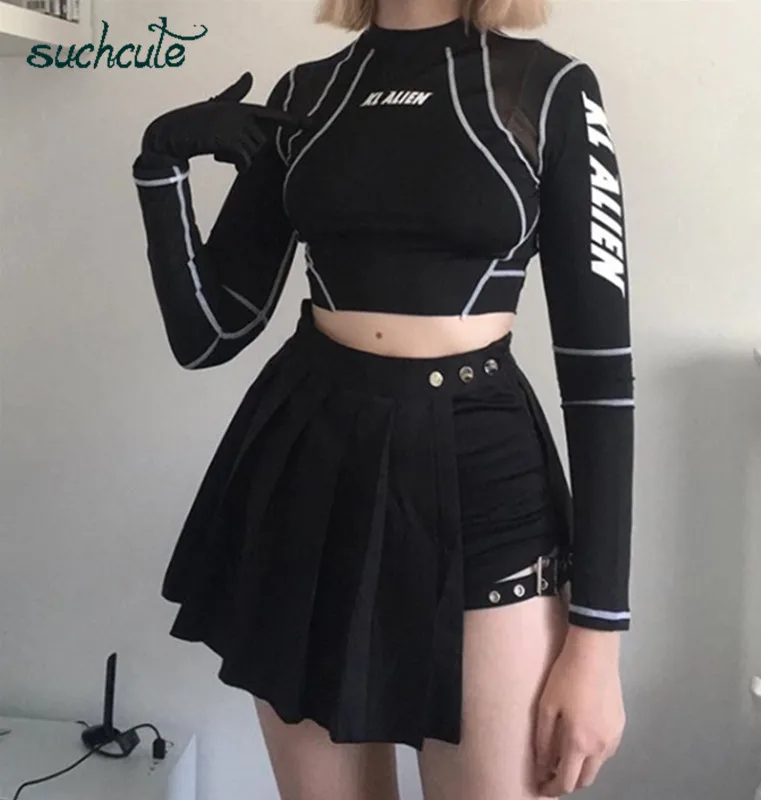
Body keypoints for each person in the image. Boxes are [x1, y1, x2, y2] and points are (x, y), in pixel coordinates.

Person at [130, 0, 634, 797]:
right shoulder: (307, 92)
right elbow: (210, 333)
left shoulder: (551, 88)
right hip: (308, 464)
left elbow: (600, 377)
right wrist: (161, 162)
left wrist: (598, 640)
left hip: (482, 475)